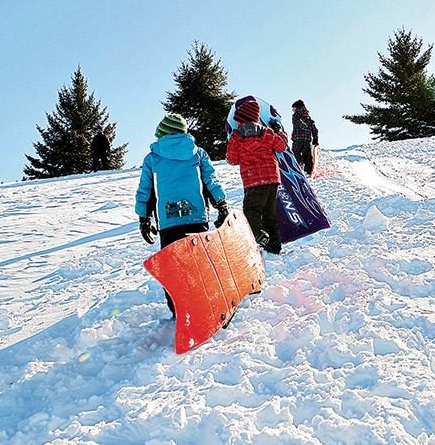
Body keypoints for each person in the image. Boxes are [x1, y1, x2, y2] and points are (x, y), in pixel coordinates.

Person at [135, 113, 229, 316]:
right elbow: (211, 181)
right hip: (196, 218)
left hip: (169, 221)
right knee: (199, 263)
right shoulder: (198, 154)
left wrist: (144, 218)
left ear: (162, 133)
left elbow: (146, 190)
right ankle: (206, 305)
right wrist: (221, 205)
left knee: (173, 269)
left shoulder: (153, 158)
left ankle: (179, 311)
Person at [226, 99, 288, 255]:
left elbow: (232, 159)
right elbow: (281, 146)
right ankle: (275, 248)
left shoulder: (237, 136)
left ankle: (260, 237)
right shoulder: (267, 132)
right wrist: (279, 131)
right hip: (272, 179)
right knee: (269, 215)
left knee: (250, 213)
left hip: (253, 181)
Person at [291, 100, 319, 175]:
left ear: (297, 107)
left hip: (298, 139)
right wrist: (315, 138)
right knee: (307, 155)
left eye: (293, 108)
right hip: (307, 140)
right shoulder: (308, 117)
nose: (293, 110)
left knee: (295, 152)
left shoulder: (296, 115)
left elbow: (300, 123)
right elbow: (313, 128)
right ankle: (308, 170)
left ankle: (300, 164)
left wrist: (304, 126)